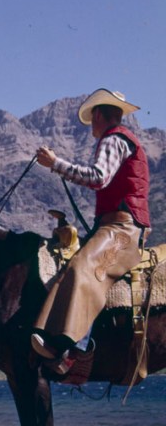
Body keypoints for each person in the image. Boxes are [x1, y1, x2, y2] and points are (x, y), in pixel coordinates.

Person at [30, 88, 150, 378]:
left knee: (85, 267)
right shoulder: (121, 140)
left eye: (92, 121)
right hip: (114, 225)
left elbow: (99, 177)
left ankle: (72, 349)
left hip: (123, 228)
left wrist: (55, 164)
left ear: (98, 115)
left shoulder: (114, 139)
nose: (91, 129)